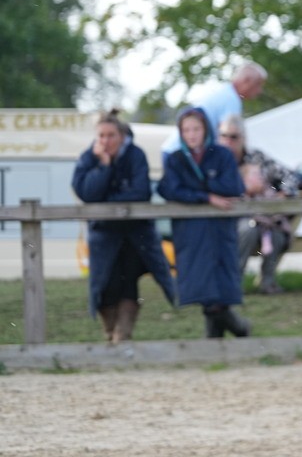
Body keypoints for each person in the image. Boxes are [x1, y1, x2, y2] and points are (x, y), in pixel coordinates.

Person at [71, 110, 176, 343]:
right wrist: (104, 167)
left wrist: (105, 203)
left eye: (111, 135)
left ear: (121, 135)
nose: (106, 141)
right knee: (105, 287)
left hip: (135, 234)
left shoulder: (135, 155)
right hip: (104, 236)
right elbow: (86, 192)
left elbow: (141, 192)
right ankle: (111, 333)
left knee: (128, 283)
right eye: (102, 136)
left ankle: (123, 336)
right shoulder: (89, 158)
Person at [158, 106, 251, 338]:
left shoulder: (222, 154)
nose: (191, 134)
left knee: (219, 287)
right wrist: (207, 196)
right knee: (204, 288)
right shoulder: (175, 159)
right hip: (191, 232)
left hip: (219, 229)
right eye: (186, 129)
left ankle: (219, 342)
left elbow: (233, 187)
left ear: (206, 129)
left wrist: (197, 188)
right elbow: (170, 189)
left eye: (196, 128)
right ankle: (236, 332)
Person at [218, 114, 300, 295]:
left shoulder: (257, 158)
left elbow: (289, 177)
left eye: (234, 136)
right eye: (224, 136)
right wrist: (244, 190)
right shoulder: (215, 161)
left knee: (276, 233)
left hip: (265, 219)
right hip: (227, 221)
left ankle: (267, 281)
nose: (228, 141)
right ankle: (234, 283)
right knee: (248, 229)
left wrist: (283, 193)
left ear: (243, 139)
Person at [160, 62, 268, 158]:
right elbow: (228, 138)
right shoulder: (231, 99)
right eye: (258, 85)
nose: (260, 91)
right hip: (182, 157)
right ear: (246, 81)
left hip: (176, 152)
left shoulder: (225, 92)